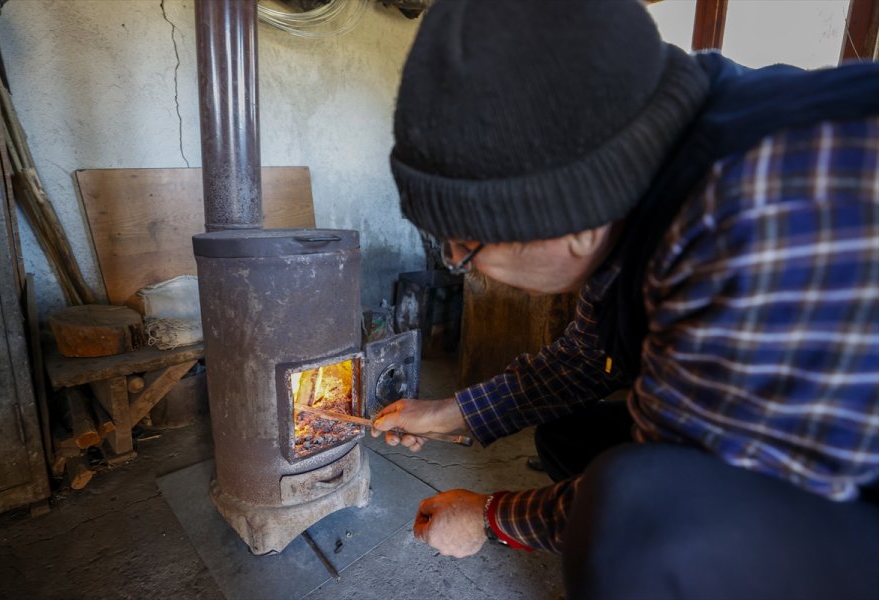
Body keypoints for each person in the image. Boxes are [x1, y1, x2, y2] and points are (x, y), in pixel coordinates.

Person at [370, 0, 879, 598]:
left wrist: (488, 518)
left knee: (631, 521)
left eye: (465, 246)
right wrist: (452, 412)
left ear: (568, 222)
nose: (462, 266)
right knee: (570, 439)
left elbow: (685, 496)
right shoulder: (646, 168)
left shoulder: (746, 226)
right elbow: (586, 358)